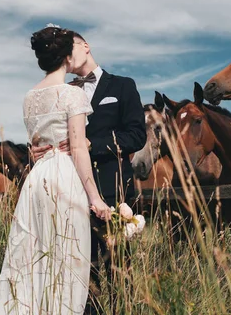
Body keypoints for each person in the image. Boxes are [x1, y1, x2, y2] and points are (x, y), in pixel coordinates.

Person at [0, 25, 112, 314]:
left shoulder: (30, 97)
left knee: (31, 254)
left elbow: (36, 144)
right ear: (68, 57)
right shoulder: (73, 96)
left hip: (38, 179)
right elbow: (79, 148)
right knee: (67, 256)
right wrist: (95, 197)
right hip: (64, 177)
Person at [29, 28, 146, 312]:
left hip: (111, 188)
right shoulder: (62, 92)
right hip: (69, 189)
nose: (68, 52)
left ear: (85, 46)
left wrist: (91, 144)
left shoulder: (122, 86)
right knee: (80, 272)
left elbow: (136, 135)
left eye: (72, 46)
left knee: (119, 272)